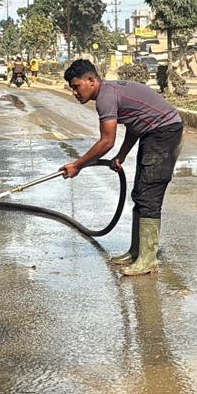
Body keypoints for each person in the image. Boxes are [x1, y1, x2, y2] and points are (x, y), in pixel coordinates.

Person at [60, 59, 183, 276]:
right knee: (140, 194)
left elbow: (106, 141)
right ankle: (137, 252)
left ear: (91, 80)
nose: (75, 93)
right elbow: (135, 124)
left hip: (164, 132)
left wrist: (77, 165)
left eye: (77, 86)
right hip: (154, 132)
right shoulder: (109, 92)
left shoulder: (105, 98)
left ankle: (148, 259)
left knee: (149, 195)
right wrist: (122, 154)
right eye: (72, 88)